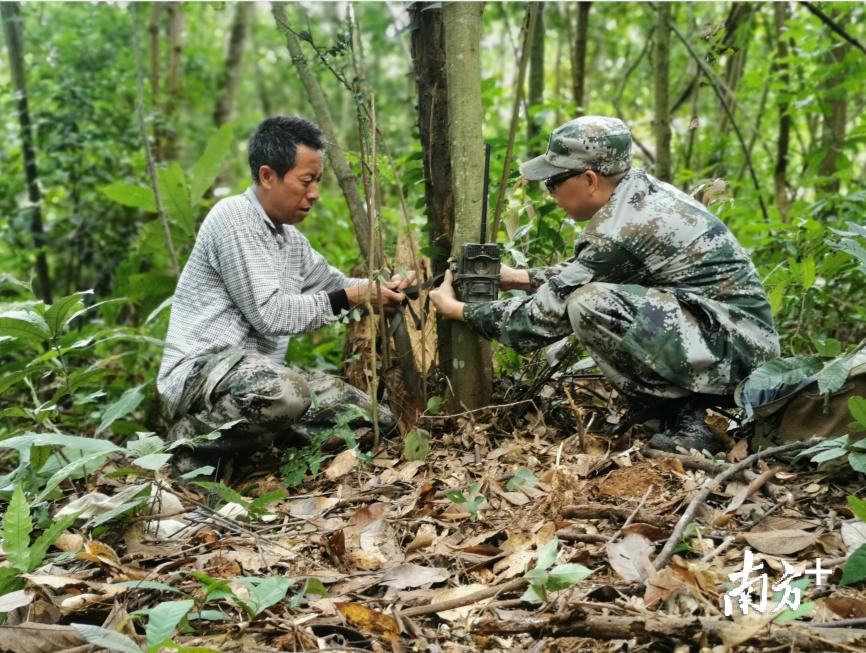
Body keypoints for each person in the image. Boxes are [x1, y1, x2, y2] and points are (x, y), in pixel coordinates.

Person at [429, 115, 780, 454]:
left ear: (590, 179)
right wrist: (518, 277)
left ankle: (691, 419)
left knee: (588, 304)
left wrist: (459, 310)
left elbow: (537, 322)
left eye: (554, 183)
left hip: (738, 355)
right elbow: (589, 271)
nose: (550, 194)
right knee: (589, 296)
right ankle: (677, 411)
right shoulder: (638, 195)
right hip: (729, 338)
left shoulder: (623, 230)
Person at [157, 116, 411, 475]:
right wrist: (353, 298)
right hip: (203, 373)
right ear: (267, 176)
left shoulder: (291, 241)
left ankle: (252, 448)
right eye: (306, 181)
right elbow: (271, 314)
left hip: (259, 379)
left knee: (372, 420)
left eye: (318, 181)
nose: (315, 193)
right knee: (286, 394)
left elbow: (335, 284)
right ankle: (187, 450)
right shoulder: (234, 218)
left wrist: (387, 288)